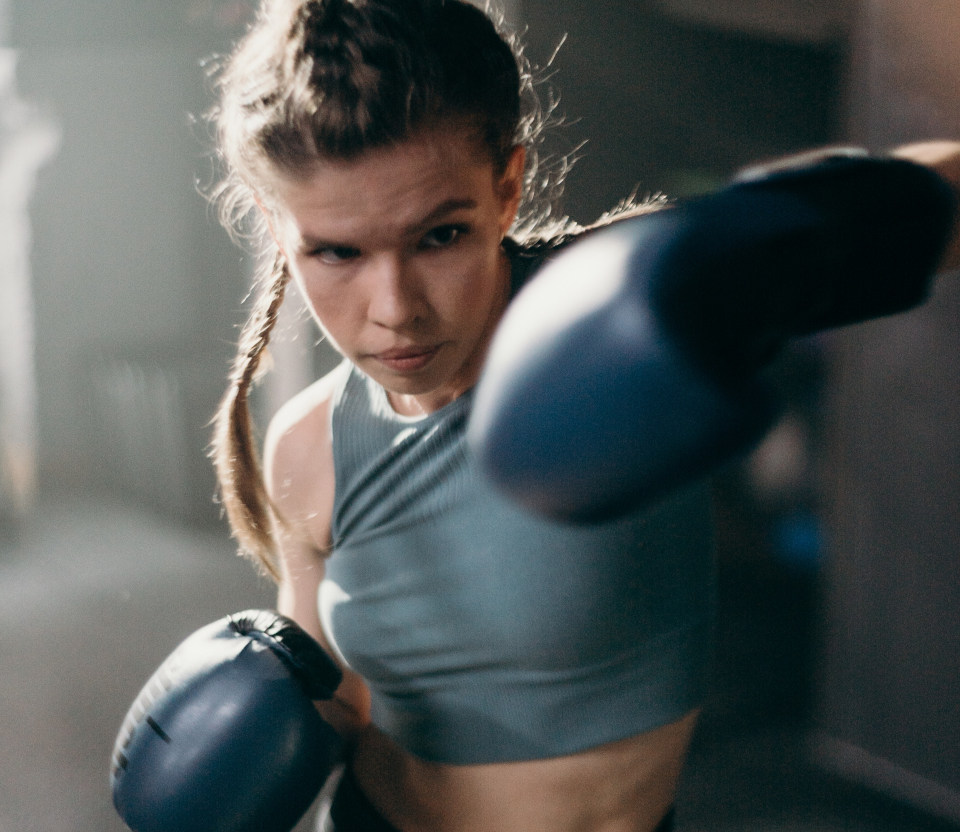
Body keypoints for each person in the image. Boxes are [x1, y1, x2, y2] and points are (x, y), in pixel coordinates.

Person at [206, 1, 960, 830]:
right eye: (337, 252)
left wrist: (768, 256)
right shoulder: (307, 446)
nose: (394, 310)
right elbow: (337, 697)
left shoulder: (638, 311)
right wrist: (233, 736)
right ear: (281, 232)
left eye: (441, 236)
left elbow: (929, 203)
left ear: (507, 187)